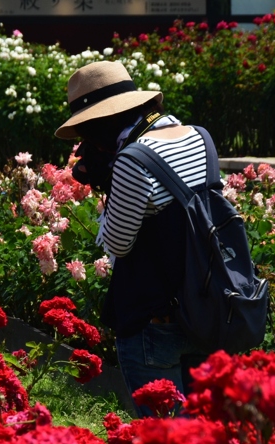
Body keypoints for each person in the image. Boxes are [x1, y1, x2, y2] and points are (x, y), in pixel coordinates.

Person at [55, 61, 217, 413]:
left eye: (86, 132)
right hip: (206, 311)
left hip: (154, 322)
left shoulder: (132, 159)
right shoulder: (200, 137)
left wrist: (111, 184)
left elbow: (118, 243)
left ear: (99, 124)